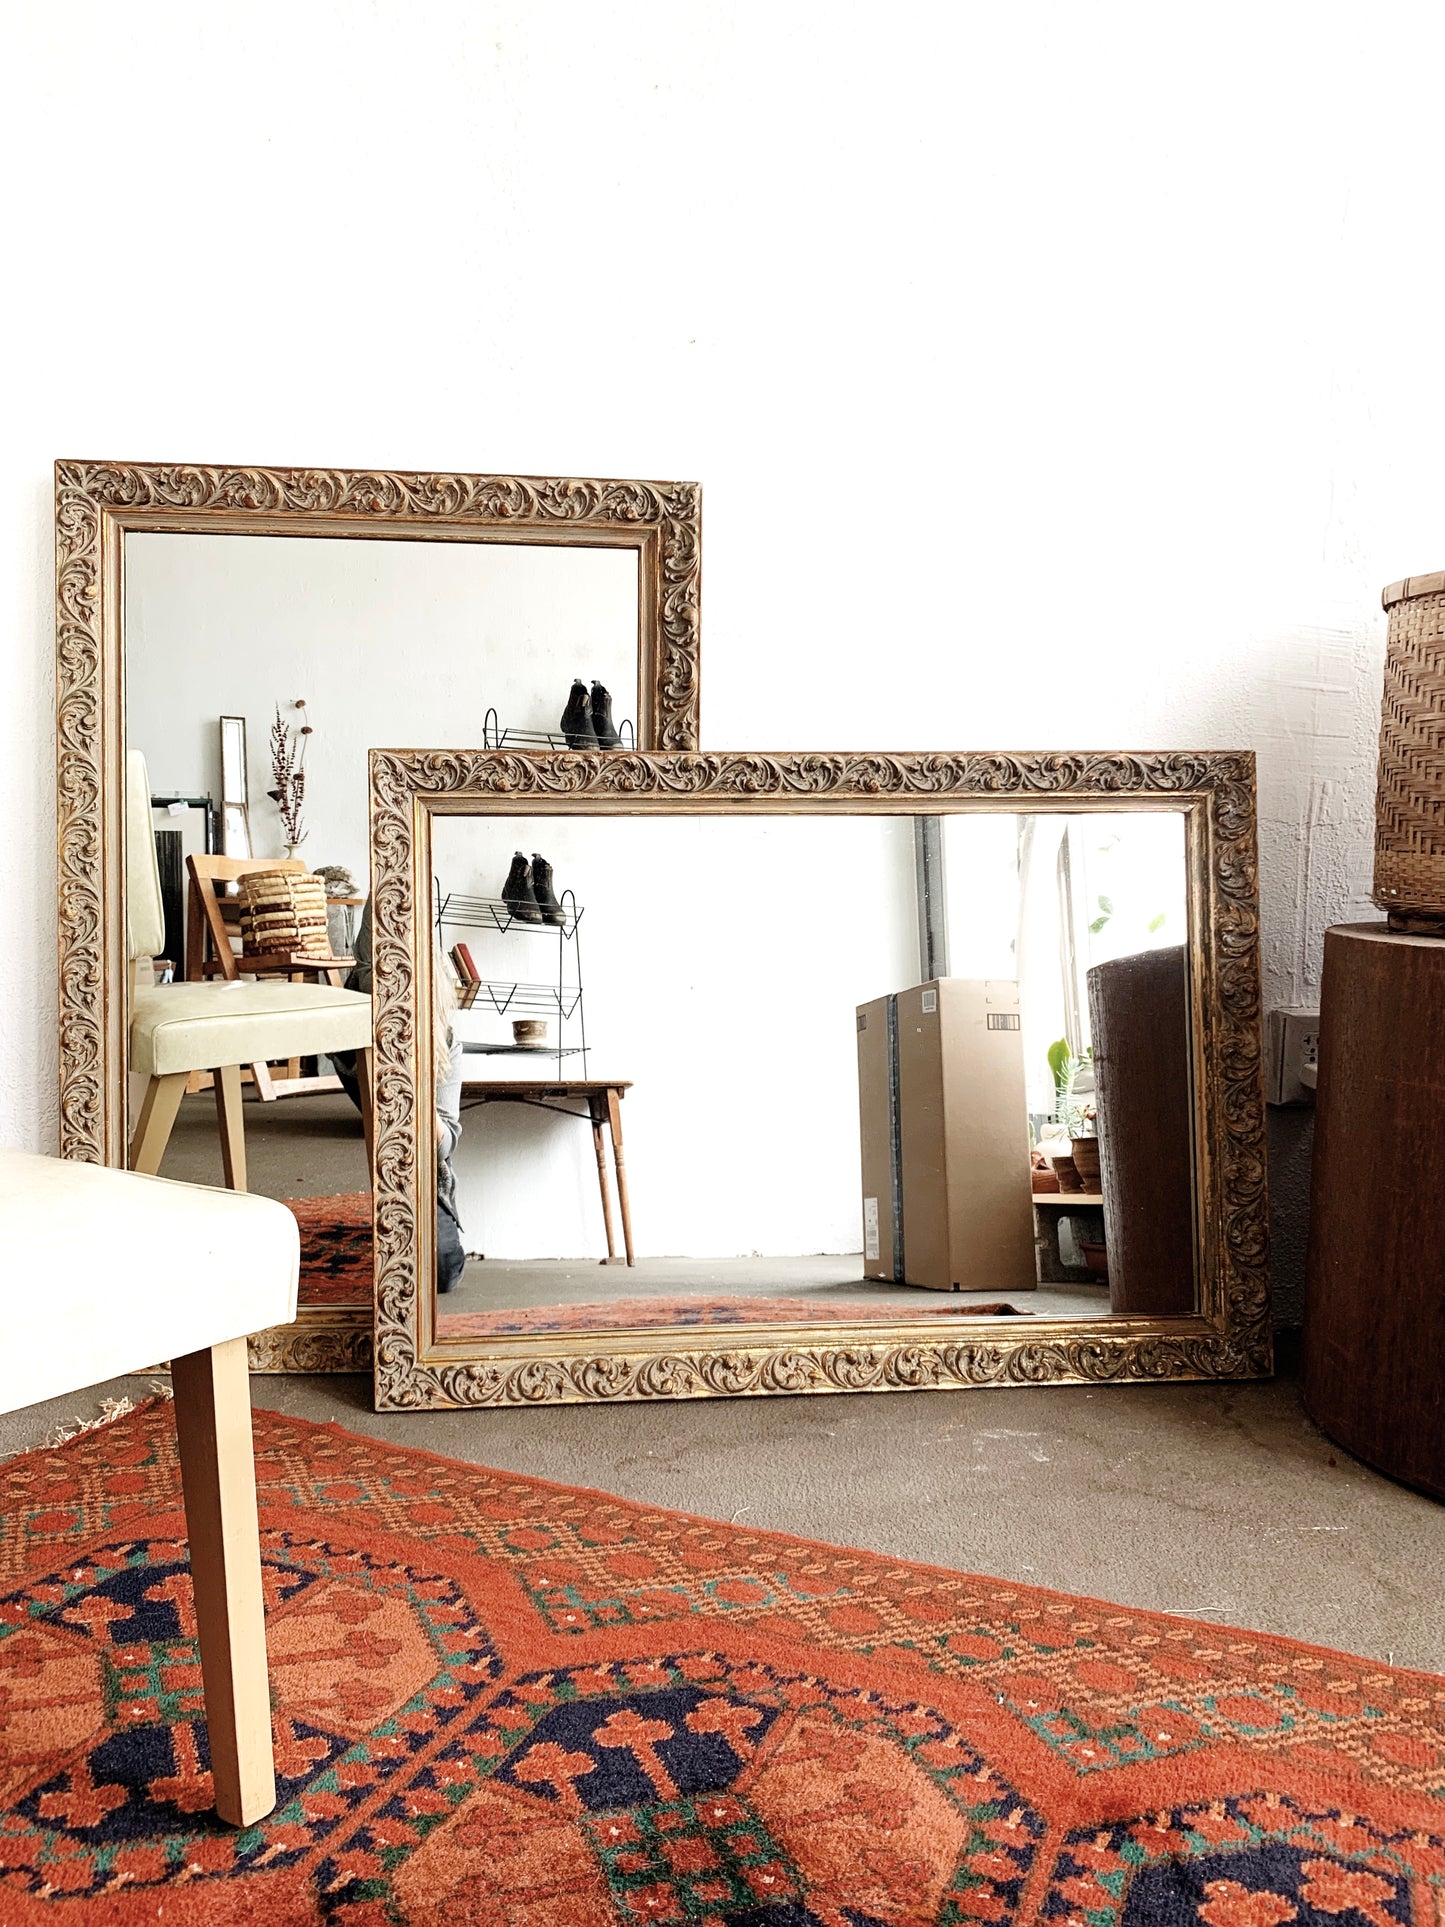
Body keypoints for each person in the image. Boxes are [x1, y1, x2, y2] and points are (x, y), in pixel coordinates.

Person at [335, 900, 467, 1291]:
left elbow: (447, 1140)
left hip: (418, 1165)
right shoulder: (352, 1005)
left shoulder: (444, 1033)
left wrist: (420, 1106)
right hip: (369, 1139)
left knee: (440, 1269)